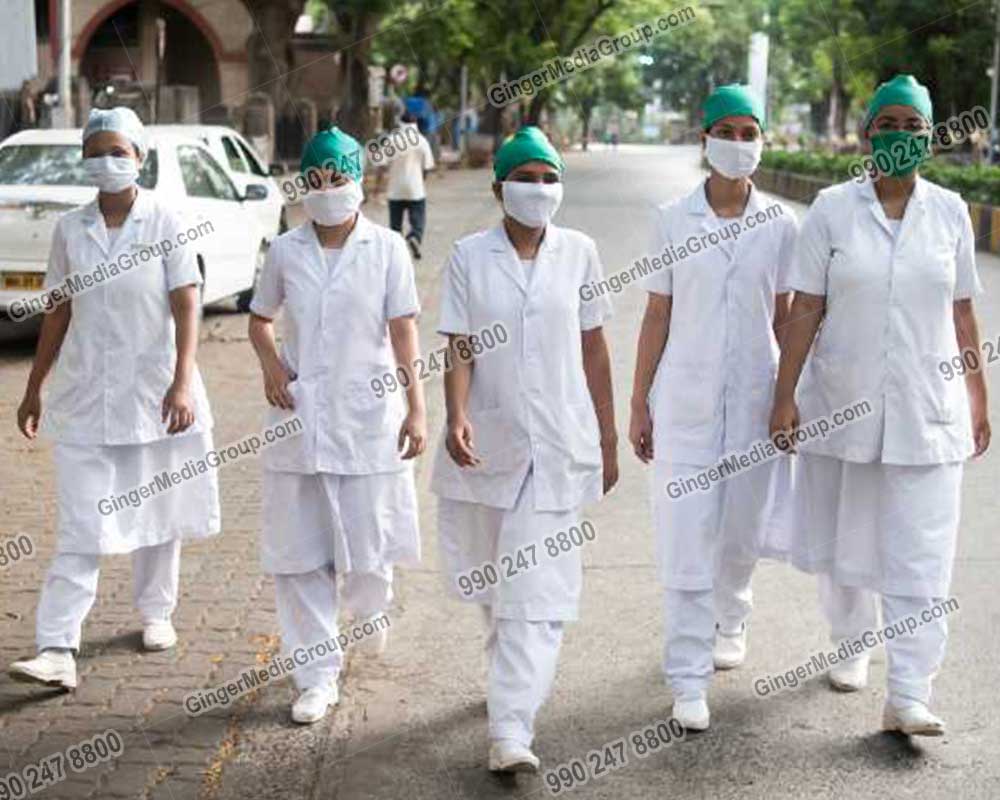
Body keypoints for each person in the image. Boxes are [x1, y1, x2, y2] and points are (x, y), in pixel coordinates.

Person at [770, 74, 990, 735]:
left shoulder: (950, 210)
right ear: (867, 134)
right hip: (842, 404)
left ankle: (910, 693)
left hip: (930, 411)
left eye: (912, 126)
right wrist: (785, 397)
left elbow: (962, 312)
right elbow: (806, 306)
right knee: (845, 541)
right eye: (887, 124)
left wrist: (978, 395)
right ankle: (851, 639)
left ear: (930, 137)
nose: (899, 136)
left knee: (922, 553)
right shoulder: (832, 210)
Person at [10, 107, 220, 690]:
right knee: (82, 522)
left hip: (156, 392)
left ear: (139, 158)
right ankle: (57, 646)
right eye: (97, 150)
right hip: (83, 397)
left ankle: (157, 612)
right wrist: (34, 388)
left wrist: (183, 378)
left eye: (119, 151)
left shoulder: (167, 220)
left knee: (158, 512)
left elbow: (187, 302)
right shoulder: (69, 229)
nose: (107, 161)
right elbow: (59, 308)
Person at [431, 126, 618, 773]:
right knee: (494, 584)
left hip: (559, 443)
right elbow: (459, 344)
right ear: (498, 188)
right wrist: (455, 415)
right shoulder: (468, 255)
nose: (538, 189)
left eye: (548, 177)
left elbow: (594, 346)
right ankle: (506, 679)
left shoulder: (580, 253)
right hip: (488, 439)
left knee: (533, 593)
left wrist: (610, 432)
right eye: (525, 177)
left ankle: (511, 729)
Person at [628, 85, 797, 731]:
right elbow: (657, 312)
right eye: (726, 131)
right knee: (686, 538)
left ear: (761, 142)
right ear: (705, 139)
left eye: (749, 132)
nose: (738, 143)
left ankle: (735, 611)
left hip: (757, 396)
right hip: (686, 401)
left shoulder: (781, 223)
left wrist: (789, 398)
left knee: (741, 531)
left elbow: (786, 315)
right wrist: (639, 401)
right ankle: (688, 677)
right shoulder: (671, 218)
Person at [248, 127, 426, 725]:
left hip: (368, 417)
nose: (327, 190)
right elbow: (259, 319)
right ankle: (316, 678)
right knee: (301, 557)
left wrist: (418, 407)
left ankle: (371, 608)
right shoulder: (284, 250)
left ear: (360, 182)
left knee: (369, 554)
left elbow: (404, 331)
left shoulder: (388, 250)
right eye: (316, 179)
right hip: (298, 417)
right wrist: (272, 365)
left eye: (338, 177)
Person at [386, 112, 435, 260]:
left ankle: (396, 251)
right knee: (418, 220)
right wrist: (422, 180)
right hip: (415, 189)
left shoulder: (391, 140)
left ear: (400, 123)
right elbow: (428, 166)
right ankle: (415, 237)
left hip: (394, 189)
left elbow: (382, 164)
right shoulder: (421, 140)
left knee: (395, 225)